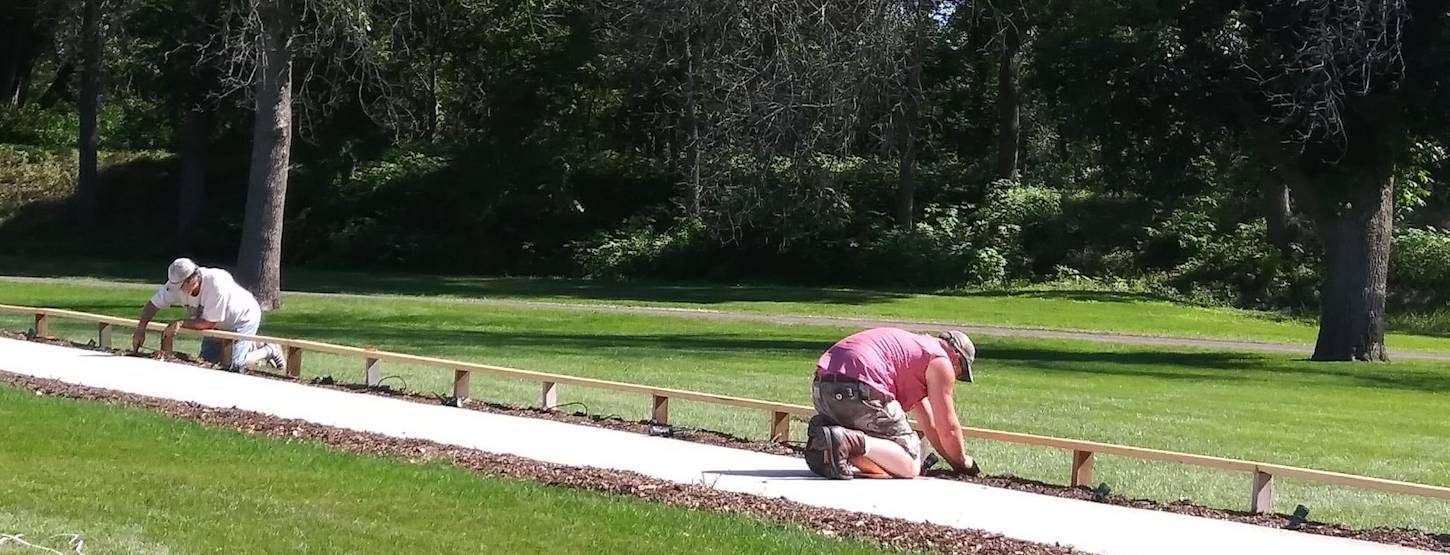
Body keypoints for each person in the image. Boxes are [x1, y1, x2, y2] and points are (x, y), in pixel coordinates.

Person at [805, 327, 980, 480]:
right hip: (861, 387)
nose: (955, 377)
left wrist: (953, 463)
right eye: (959, 373)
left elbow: (930, 425)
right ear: (956, 358)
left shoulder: (917, 353)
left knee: (885, 455)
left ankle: (827, 434)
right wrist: (963, 462)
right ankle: (847, 439)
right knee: (910, 463)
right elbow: (947, 428)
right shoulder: (941, 361)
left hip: (823, 386)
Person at [131, 257, 285, 372]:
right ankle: (252, 344)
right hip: (216, 323)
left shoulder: (216, 283)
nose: (177, 290)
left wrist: (180, 323)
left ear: (193, 279)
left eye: (181, 286)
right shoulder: (175, 287)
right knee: (208, 363)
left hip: (243, 319)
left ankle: (269, 350)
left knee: (234, 365)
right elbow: (153, 304)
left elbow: (208, 323)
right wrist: (140, 328)